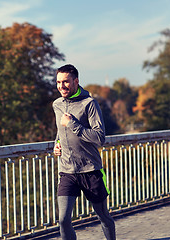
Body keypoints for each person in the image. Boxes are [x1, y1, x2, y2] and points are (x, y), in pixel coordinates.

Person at [53, 64, 116, 240]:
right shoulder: (57, 105)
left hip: (90, 171)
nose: (61, 86)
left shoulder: (89, 104)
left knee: (103, 217)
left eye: (65, 82)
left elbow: (99, 137)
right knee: (63, 220)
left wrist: (73, 124)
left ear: (76, 81)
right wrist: (56, 145)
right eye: (58, 82)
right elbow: (59, 131)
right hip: (67, 172)